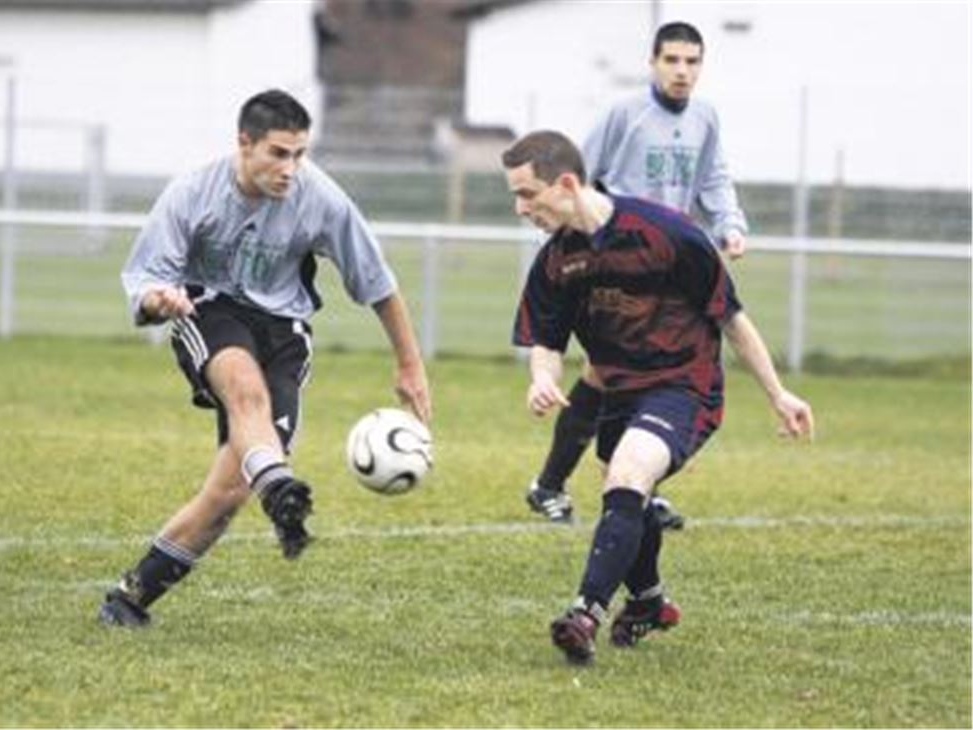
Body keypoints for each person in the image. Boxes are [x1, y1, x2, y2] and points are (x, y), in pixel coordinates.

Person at [98, 89, 432, 627]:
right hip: (209, 309)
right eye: (278, 153)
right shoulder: (192, 192)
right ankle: (276, 481)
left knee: (230, 489)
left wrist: (410, 366)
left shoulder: (322, 198)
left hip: (285, 331)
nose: (291, 168)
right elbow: (147, 279)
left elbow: (378, 284)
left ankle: (130, 596)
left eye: (300, 154)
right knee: (245, 390)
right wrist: (159, 300)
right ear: (244, 144)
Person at [503, 130, 813, 664]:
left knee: (626, 473)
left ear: (568, 184)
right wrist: (541, 378)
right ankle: (648, 602)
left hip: (683, 385)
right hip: (619, 393)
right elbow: (546, 341)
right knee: (628, 492)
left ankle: (584, 612)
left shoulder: (665, 234)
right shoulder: (556, 261)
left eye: (528, 194)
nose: (519, 208)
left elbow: (732, 318)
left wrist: (777, 393)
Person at [525, 21, 750, 527]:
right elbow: (577, 177)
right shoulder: (624, 114)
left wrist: (729, 224)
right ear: (652, 62)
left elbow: (714, 177)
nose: (682, 71)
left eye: (692, 62)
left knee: (641, 373)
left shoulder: (705, 117)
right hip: (616, 263)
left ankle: (618, 482)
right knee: (608, 371)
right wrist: (564, 239)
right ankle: (561, 484)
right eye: (672, 60)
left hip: (672, 272)